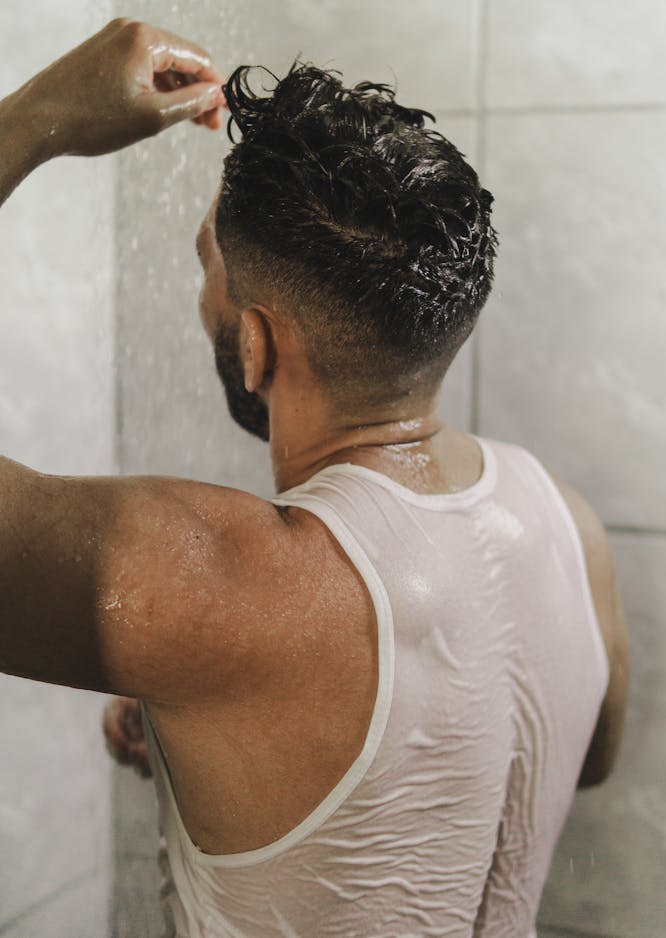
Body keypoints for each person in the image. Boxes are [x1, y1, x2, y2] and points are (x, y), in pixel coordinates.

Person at [0, 18, 630, 938]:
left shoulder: (216, 584)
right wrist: (243, 728)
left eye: (203, 265)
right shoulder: (570, 525)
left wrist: (33, 116)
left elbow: (291, 632)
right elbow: (582, 758)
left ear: (255, 345)